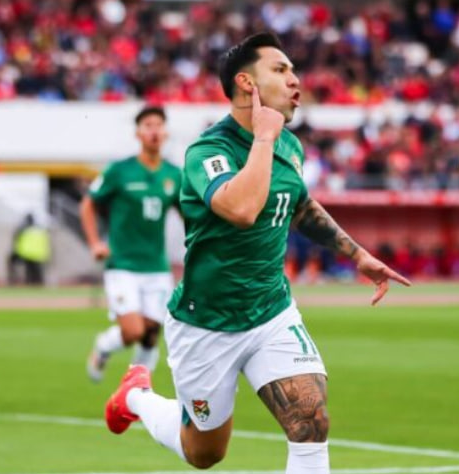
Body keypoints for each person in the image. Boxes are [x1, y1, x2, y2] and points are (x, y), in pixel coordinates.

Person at [103, 32, 410, 473]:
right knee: (204, 453)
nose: (295, 80)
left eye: (293, 70)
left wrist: (357, 254)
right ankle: (136, 396)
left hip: (271, 312)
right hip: (206, 322)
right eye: (281, 70)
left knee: (310, 420)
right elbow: (242, 209)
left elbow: (300, 205)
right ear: (246, 83)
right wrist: (264, 138)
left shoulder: (289, 145)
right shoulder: (208, 150)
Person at [80, 105, 181, 383]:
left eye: (159, 125)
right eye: (148, 125)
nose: (154, 131)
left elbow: (188, 215)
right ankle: (103, 346)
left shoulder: (174, 174)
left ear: (166, 132)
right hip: (122, 264)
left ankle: (136, 389)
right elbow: (88, 204)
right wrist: (95, 243)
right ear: (138, 133)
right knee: (134, 330)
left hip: (156, 266)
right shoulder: (119, 171)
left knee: (150, 334)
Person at [7, 213, 50, 286]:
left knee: (24, 268)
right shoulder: (41, 230)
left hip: (26, 254)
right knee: (36, 271)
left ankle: (14, 281)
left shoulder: (23, 229)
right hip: (40, 255)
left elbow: (16, 241)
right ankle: (38, 283)